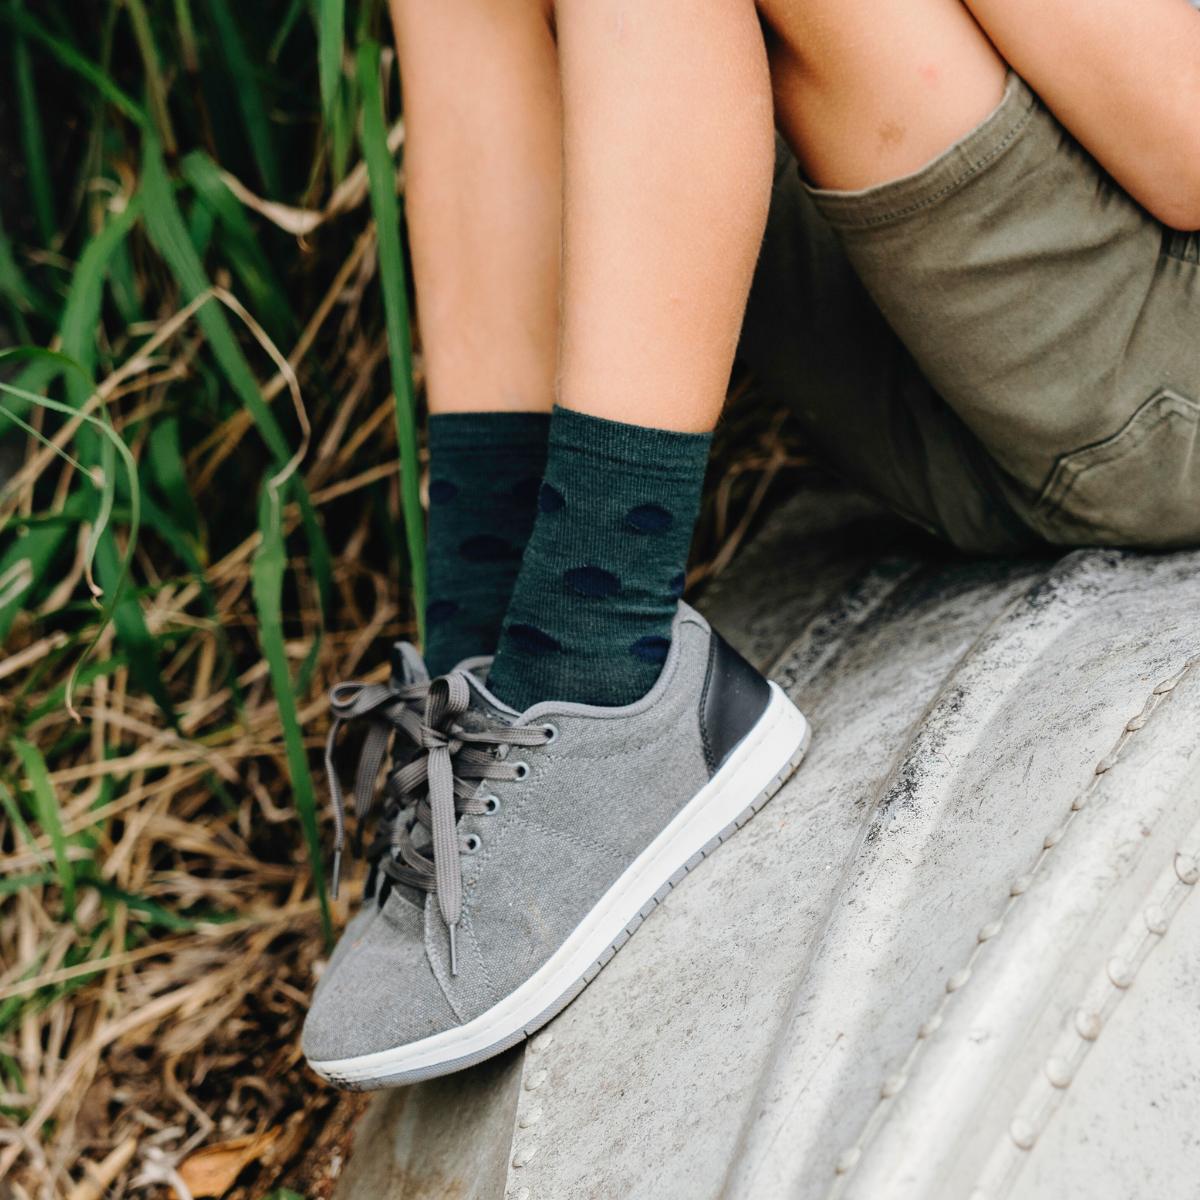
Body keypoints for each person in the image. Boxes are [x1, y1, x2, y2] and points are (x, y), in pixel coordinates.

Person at [302, 0, 1200, 1087]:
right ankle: (495, 682)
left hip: (1153, 376)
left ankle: (599, 658)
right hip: (933, 371)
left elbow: (1182, 137)